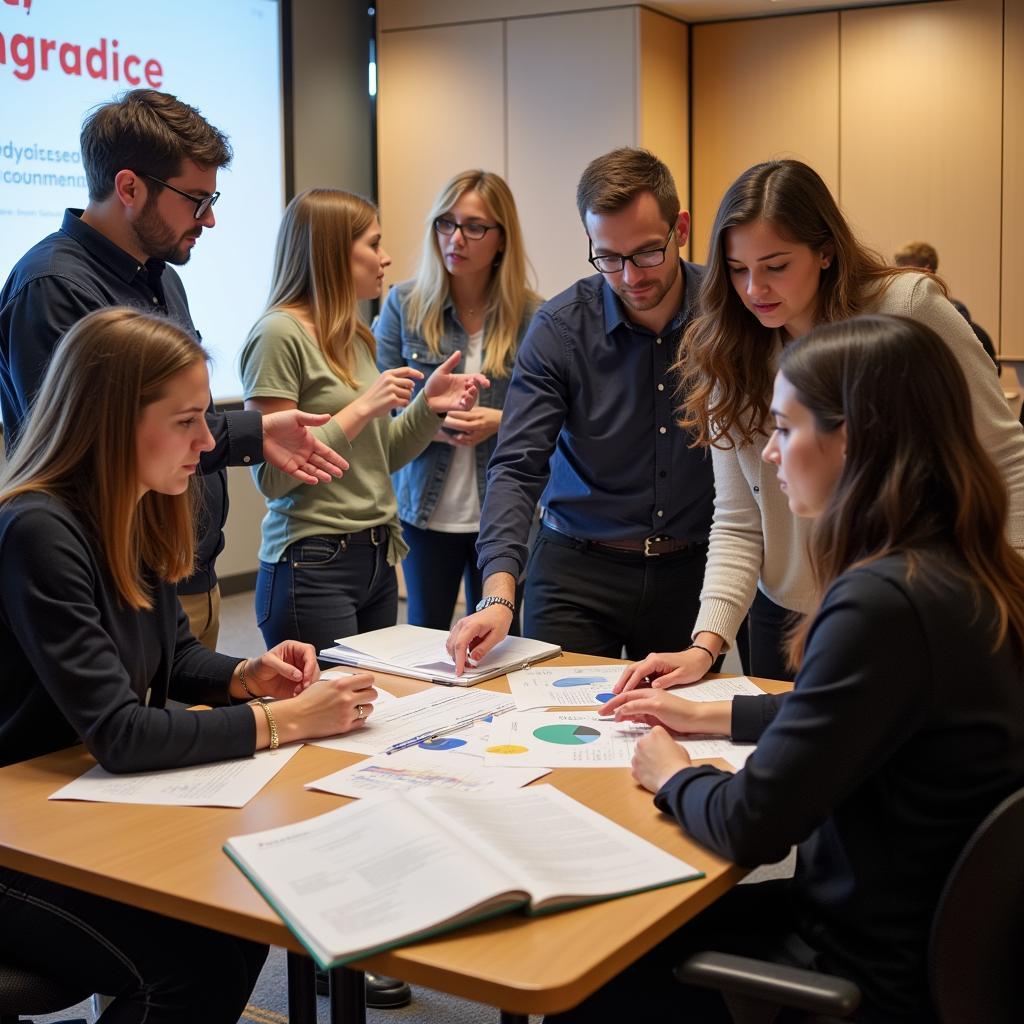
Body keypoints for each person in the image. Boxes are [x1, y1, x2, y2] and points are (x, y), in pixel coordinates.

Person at [553, 314, 1024, 1023]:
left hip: (861, 965)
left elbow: (752, 825)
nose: (770, 455)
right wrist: (715, 713)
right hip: (935, 943)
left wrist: (672, 773)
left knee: (587, 962)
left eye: (783, 428)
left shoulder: (881, 601)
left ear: (852, 440)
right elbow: (861, 712)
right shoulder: (971, 570)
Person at [0, 307, 379, 1023]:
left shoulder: (133, 506)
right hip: (19, 843)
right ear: (113, 420)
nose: (208, 443)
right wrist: (280, 720)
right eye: (188, 421)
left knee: (239, 927)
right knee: (193, 969)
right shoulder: (38, 529)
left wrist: (245, 678)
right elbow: (122, 733)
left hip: (69, 810)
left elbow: (173, 657)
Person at [618, 159, 1024, 687]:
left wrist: (1009, 590)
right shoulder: (724, 348)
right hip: (787, 612)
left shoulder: (906, 309)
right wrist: (704, 646)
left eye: (776, 265)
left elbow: (1004, 456)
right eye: (738, 269)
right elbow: (740, 518)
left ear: (826, 251)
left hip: (911, 601)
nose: (754, 288)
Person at [0, 89, 347, 651]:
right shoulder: (54, 287)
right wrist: (248, 433)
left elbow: (172, 418)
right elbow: (101, 445)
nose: (209, 220)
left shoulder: (162, 277)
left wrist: (252, 432)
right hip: (111, 590)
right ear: (129, 187)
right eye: (195, 200)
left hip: (182, 579)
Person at [446, 147, 715, 673]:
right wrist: (499, 593)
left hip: (692, 571)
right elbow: (519, 465)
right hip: (576, 570)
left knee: (679, 736)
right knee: (556, 729)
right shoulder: (561, 328)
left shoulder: (726, 314)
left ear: (680, 228)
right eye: (608, 257)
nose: (630, 276)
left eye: (646, 253)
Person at [374, 169, 542, 630]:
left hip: (505, 514)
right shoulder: (404, 305)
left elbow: (554, 417)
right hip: (425, 513)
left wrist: (500, 420)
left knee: (498, 638)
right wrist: (427, 419)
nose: (456, 239)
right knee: (425, 636)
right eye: (445, 224)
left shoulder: (535, 315)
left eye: (473, 227)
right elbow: (378, 402)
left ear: (502, 239)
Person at [894, 239, 998, 368]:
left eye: (907, 270)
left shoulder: (955, 309)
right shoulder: (896, 306)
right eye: (898, 270)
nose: (899, 276)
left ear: (928, 271)